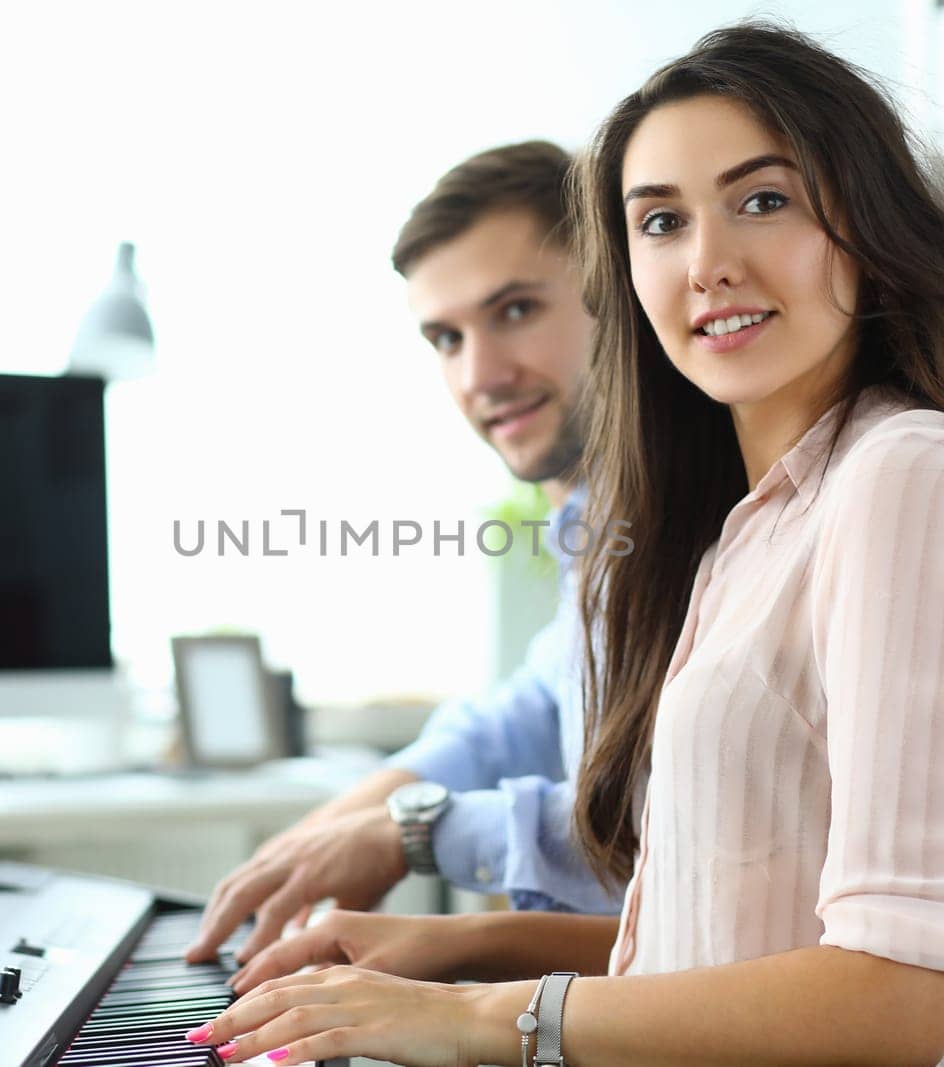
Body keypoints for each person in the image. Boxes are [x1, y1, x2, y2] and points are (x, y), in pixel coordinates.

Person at [182, 21, 944, 1066]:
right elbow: (717, 936)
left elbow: (892, 996)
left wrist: (473, 1013)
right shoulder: (748, 526)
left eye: (761, 201)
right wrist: (461, 942)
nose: (708, 263)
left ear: (863, 227)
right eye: (662, 222)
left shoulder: (903, 477)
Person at [184, 141, 622, 969]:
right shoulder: (596, 523)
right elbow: (524, 713)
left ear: (617, 293)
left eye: (517, 310)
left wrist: (409, 830)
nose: (480, 374)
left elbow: (660, 831)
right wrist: (337, 827)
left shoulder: (708, 518)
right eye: (446, 338)